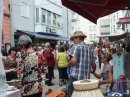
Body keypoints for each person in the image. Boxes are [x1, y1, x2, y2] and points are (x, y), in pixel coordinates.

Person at [66, 31, 96, 97]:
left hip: (75, 77)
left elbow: (73, 60)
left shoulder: (76, 46)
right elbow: (93, 64)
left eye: (74, 39)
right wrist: (93, 70)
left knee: (72, 94)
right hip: (86, 78)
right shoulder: (89, 49)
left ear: (78, 39)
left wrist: (67, 64)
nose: (74, 41)